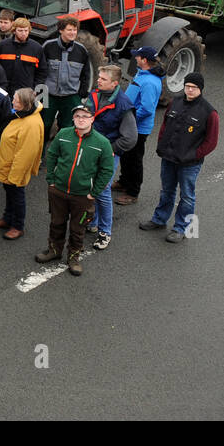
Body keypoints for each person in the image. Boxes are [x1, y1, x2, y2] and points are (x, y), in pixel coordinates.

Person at [141, 71, 218, 243]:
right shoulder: (175, 103)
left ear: (201, 89)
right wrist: (161, 146)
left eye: (194, 87)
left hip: (189, 164)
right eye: (187, 86)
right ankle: (159, 219)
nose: (190, 90)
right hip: (168, 158)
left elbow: (211, 142)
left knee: (187, 196)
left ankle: (180, 228)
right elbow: (165, 126)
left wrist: (193, 155)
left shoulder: (209, 112)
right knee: (166, 190)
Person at [37, 104, 113, 276]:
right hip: (59, 191)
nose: (80, 119)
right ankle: (54, 250)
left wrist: (94, 192)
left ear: (92, 119)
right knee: (56, 222)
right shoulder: (63, 134)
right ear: (73, 118)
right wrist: (51, 181)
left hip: (83, 196)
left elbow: (107, 170)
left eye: (85, 116)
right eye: (77, 115)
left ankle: (73, 256)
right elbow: (52, 156)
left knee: (78, 229)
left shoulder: (102, 143)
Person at [83, 64, 136, 251]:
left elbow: (130, 139)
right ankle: (93, 222)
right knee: (90, 186)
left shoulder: (123, 105)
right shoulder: (95, 94)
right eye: (99, 77)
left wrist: (109, 150)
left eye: (103, 79)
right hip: (90, 149)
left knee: (103, 191)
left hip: (107, 154)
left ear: (114, 83)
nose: (98, 80)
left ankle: (105, 232)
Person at [0, 88, 44, 240]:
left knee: (17, 195)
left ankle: (18, 226)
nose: (13, 101)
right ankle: (7, 219)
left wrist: (15, 176)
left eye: (16, 100)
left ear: (25, 104)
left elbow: (25, 155)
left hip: (15, 170)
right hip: (7, 166)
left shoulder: (31, 124)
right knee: (9, 193)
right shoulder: (21, 115)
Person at [115, 46, 164, 205]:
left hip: (137, 128)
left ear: (144, 60)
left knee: (134, 159)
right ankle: (124, 181)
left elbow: (147, 109)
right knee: (126, 155)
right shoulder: (142, 73)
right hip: (130, 124)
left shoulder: (149, 82)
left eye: (137, 56)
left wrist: (129, 121)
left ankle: (132, 192)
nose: (135, 58)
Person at [40, 16, 91, 137]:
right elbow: (40, 71)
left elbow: (86, 74)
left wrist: (82, 93)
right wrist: (39, 93)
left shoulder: (81, 51)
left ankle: (62, 153)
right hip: (48, 95)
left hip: (71, 96)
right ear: (61, 30)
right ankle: (39, 155)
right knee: (43, 125)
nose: (73, 33)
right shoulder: (48, 47)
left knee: (68, 128)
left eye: (75, 30)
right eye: (69, 30)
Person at [0, 18, 46, 94]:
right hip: (5, 91)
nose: (24, 33)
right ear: (14, 31)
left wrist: (35, 89)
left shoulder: (36, 48)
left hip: (26, 93)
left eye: (26, 31)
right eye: (20, 30)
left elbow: (42, 72)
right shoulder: (2, 46)